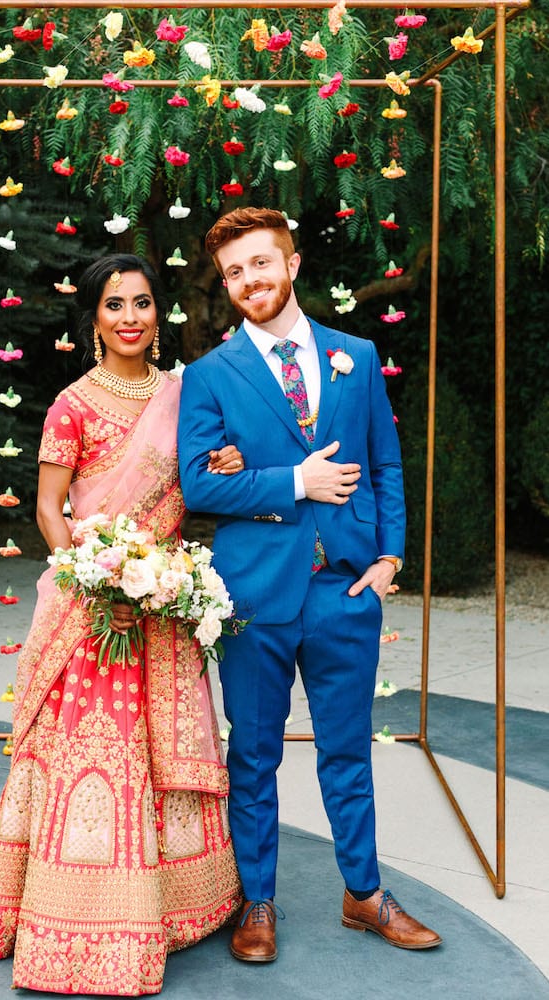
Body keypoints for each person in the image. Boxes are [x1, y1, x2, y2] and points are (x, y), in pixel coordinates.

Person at [0, 253, 243, 995]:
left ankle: (180, 907)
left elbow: (200, 480)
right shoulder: (72, 403)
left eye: (143, 303)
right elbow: (51, 508)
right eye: (116, 306)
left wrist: (227, 464)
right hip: (97, 606)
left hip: (165, 602)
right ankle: (77, 916)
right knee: (94, 759)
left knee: (163, 757)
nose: (132, 317)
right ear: (95, 318)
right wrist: (94, 574)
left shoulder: (184, 395)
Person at [177, 207, 442, 962]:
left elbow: (386, 465)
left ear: (291, 265)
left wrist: (390, 560)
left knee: (347, 752)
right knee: (253, 755)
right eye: (234, 273)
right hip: (254, 596)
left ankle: (365, 895)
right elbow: (198, 485)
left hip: (344, 595)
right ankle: (255, 902)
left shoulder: (355, 354)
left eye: (261, 264)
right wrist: (296, 480)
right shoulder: (210, 375)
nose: (248, 281)